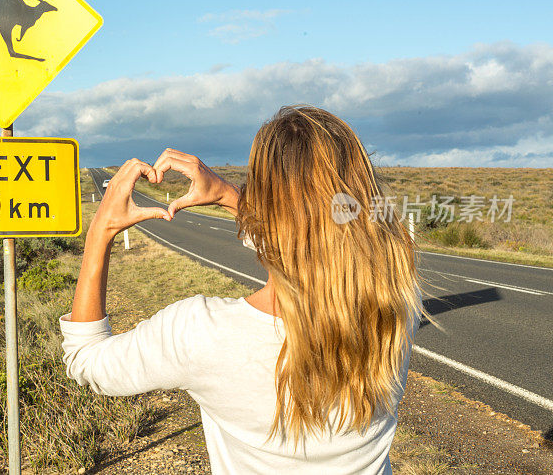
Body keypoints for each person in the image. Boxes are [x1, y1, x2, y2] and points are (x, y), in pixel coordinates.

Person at [59, 105, 424, 474]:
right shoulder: (396, 308)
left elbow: (86, 359)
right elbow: (308, 243)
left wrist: (101, 230)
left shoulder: (200, 334)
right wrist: (228, 195)